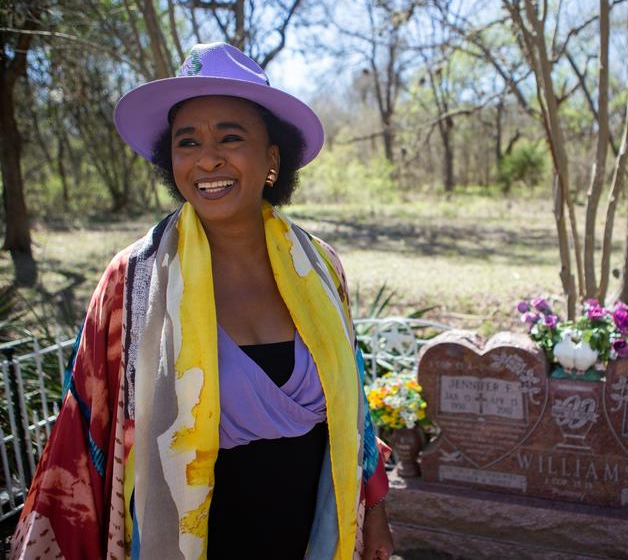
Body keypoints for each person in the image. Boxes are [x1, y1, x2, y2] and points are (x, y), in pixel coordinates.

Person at [12, 42, 394, 560]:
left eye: (230, 137)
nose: (207, 158)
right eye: (187, 142)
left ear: (272, 158)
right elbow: (82, 439)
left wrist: (375, 518)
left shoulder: (320, 267)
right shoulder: (134, 280)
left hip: (314, 536)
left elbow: (354, 411)